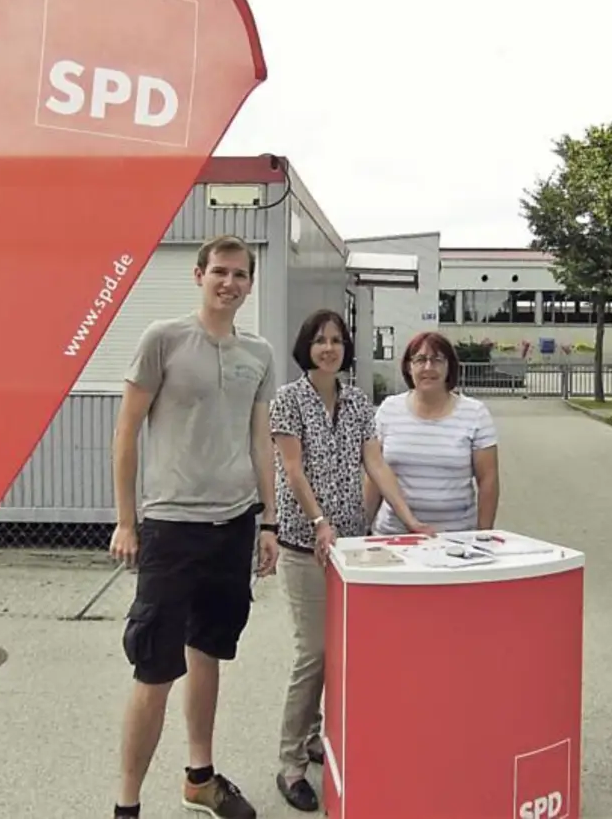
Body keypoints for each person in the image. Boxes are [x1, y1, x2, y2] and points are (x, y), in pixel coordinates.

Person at [106, 235, 279, 819]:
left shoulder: (259, 354)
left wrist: (270, 521)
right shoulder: (164, 340)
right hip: (172, 527)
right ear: (199, 275)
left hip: (234, 525)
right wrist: (127, 520)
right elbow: (127, 431)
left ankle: (199, 779)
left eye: (240, 275)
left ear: (251, 285)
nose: (229, 283)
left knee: (209, 651)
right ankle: (126, 805)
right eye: (219, 272)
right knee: (155, 667)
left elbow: (260, 441)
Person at [266, 309, 426, 813]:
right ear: (306, 347)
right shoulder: (288, 401)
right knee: (312, 652)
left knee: (342, 652)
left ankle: (317, 736)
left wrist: (410, 520)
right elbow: (291, 469)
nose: (329, 348)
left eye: (337, 340)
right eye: (320, 340)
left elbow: (375, 463)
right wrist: (319, 523)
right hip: (303, 543)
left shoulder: (358, 402)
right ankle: (291, 762)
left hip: (352, 548)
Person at [365, 332, 500, 536]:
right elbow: (374, 476)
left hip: (456, 538)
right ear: (409, 367)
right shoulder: (389, 410)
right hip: (393, 536)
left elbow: (488, 480)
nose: (428, 367)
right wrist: (360, 529)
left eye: (437, 360)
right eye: (420, 360)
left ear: (449, 367)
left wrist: (483, 536)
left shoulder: (475, 413)